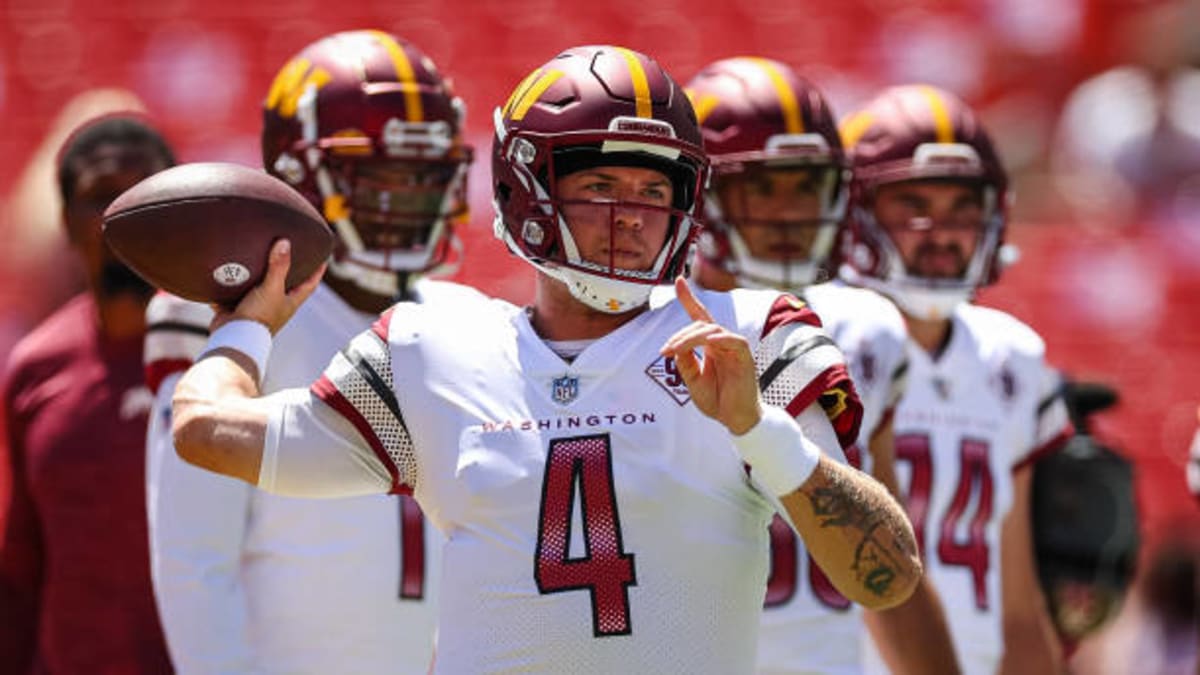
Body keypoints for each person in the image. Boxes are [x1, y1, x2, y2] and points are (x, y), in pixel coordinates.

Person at [167, 45, 922, 673]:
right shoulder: (433, 349)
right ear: (526, 187)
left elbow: (883, 575)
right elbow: (205, 429)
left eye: (652, 190)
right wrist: (245, 326)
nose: (629, 217)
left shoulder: (751, 335)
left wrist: (759, 429)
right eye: (599, 186)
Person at [143, 30, 476, 674]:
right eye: (380, 176)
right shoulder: (225, 317)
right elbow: (194, 562)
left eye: (422, 177)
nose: (406, 201)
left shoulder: (463, 320)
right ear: (298, 174)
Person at [684, 56, 960, 675]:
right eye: (762, 186)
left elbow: (891, 564)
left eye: (806, 185)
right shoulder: (645, 331)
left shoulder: (866, 330)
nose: (788, 213)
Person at [838, 84, 1074, 675]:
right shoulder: (819, 338)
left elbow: (1017, 605)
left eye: (961, 207)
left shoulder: (1010, 358)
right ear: (855, 211)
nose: (940, 232)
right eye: (912, 203)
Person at [0, 113, 176, 673]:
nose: (122, 214)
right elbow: (21, 558)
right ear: (68, 223)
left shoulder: (233, 355)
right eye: (100, 197)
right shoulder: (35, 368)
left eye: (144, 194)